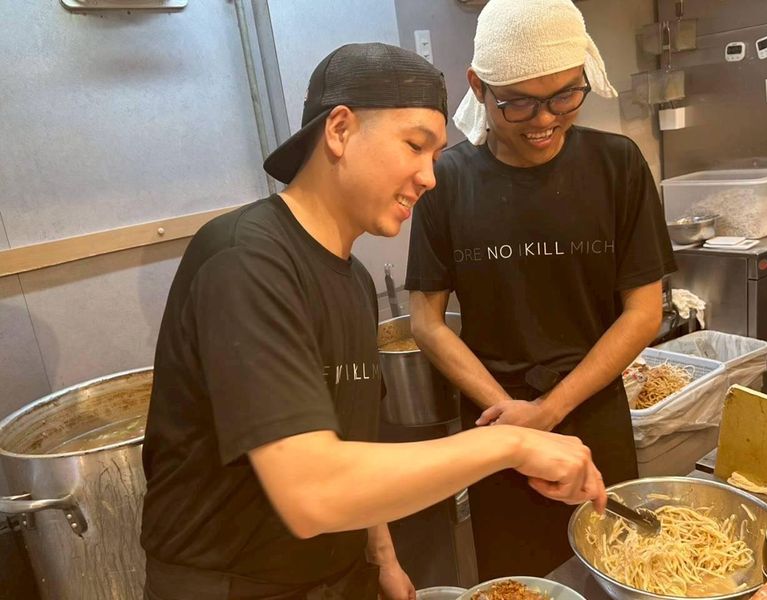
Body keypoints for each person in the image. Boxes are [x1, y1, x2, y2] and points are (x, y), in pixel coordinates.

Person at [140, 42, 607, 600]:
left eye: (436, 155)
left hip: (337, 575)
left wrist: (381, 553)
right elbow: (312, 492)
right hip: (232, 584)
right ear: (339, 130)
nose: (430, 177)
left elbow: (351, 437)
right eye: (415, 145)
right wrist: (511, 443)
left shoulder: (353, 279)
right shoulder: (246, 259)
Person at [406, 0, 677, 579]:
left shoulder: (617, 165)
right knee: (516, 581)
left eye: (564, 96)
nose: (544, 120)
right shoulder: (446, 181)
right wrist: (514, 423)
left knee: (616, 570)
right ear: (478, 87)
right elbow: (426, 321)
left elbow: (643, 312)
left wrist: (549, 411)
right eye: (520, 102)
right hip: (495, 419)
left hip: (591, 407)